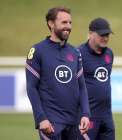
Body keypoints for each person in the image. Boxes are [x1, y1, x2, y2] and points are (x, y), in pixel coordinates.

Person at [26, 7, 90, 140]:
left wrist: (85, 114)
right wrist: (40, 118)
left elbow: (82, 86)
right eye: (64, 22)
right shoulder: (37, 51)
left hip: (74, 122)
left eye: (70, 23)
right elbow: (31, 87)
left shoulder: (75, 52)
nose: (68, 26)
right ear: (51, 23)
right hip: (51, 123)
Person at [78, 17, 115, 140]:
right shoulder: (78, 54)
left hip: (107, 117)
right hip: (87, 118)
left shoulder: (109, 53)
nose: (105, 38)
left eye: (107, 35)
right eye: (102, 35)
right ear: (90, 34)